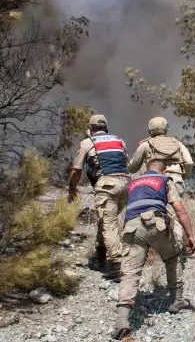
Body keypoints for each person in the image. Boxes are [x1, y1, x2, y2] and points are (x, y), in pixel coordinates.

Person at [112, 159, 195, 340]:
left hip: (132, 227)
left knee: (130, 273)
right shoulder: (165, 181)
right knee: (172, 257)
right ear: (164, 170)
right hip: (156, 224)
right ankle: (176, 301)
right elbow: (179, 209)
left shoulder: (132, 183)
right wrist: (190, 235)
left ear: (145, 170)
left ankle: (122, 320)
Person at [68, 114, 131, 280]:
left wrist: (72, 189)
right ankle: (100, 254)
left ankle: (115, 265)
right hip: (126, 185)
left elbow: (76, 170)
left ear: (90, 129)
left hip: (107, 185)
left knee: (108, 223)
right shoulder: (120, 141)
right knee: (105, 220)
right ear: (107, 128)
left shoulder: (88, 142)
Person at [128, 117, 194, 197]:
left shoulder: (146, 144)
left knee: (155, 208)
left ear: (150, 129)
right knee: (176, 208)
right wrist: (181, 177)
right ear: (166, 128)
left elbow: (133, 167)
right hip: (175, 181)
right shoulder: (177, 143)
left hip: (154, 182)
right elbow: (189, 162)